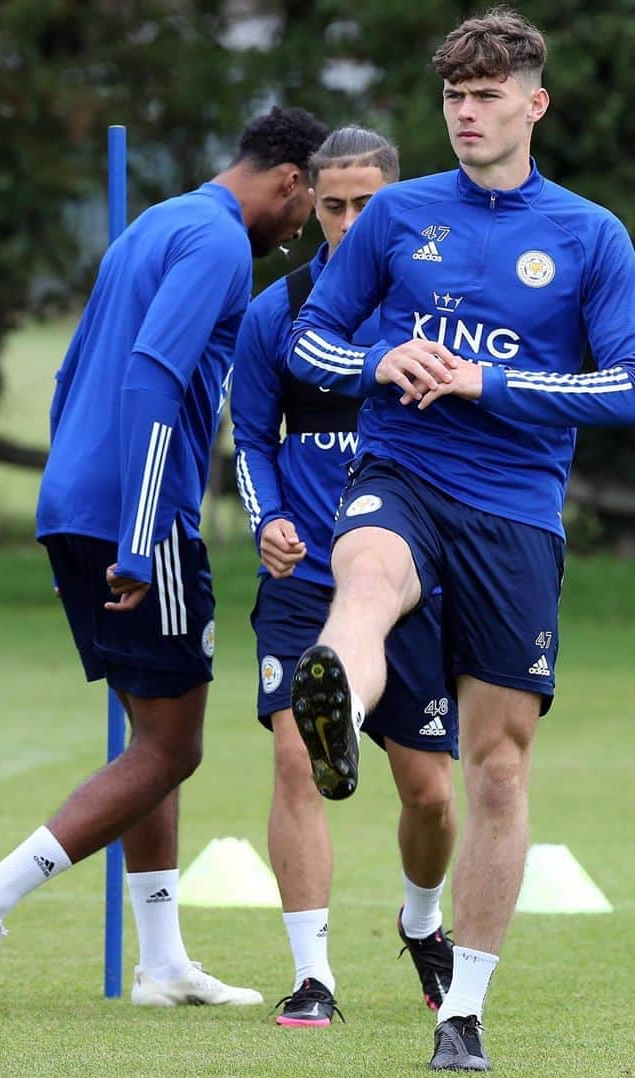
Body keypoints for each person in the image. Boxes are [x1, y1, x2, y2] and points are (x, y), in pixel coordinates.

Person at [286, 10, 635, 1071]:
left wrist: (485, 378)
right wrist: (379, 362)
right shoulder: (396, 217)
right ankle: (338, 707)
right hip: (401, 471)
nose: (467, 111)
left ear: (533, 105)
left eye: (488, 94)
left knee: (497, 769)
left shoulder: (591, 235)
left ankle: (464, 1009)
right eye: (454, 95)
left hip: (515, 512)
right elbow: (314, 338)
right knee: (363, 580)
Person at [0, 106, 329, 1011]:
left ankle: (160, 964)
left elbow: (72, 373)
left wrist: (82, 492)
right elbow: (153, 374)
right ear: (290, 180)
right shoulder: (221, 247)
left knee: (153, 738)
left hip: (73, 502)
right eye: (308, 208)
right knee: (175, 747)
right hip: (135, 519)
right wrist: (143, 533)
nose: (300, 232)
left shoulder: (154, 223)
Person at [231, 126, 458, 1028]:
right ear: (311, 206)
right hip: (306, 580)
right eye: (333, 206)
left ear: (397, 205)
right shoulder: (276, 313)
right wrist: (270, 521)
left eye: (369, 205)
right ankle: (314, 975)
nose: (351, 221)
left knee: (431, 793)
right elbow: (250, 438)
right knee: (297, 756)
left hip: (409, 576)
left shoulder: (433, 311)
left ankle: (422, 919)